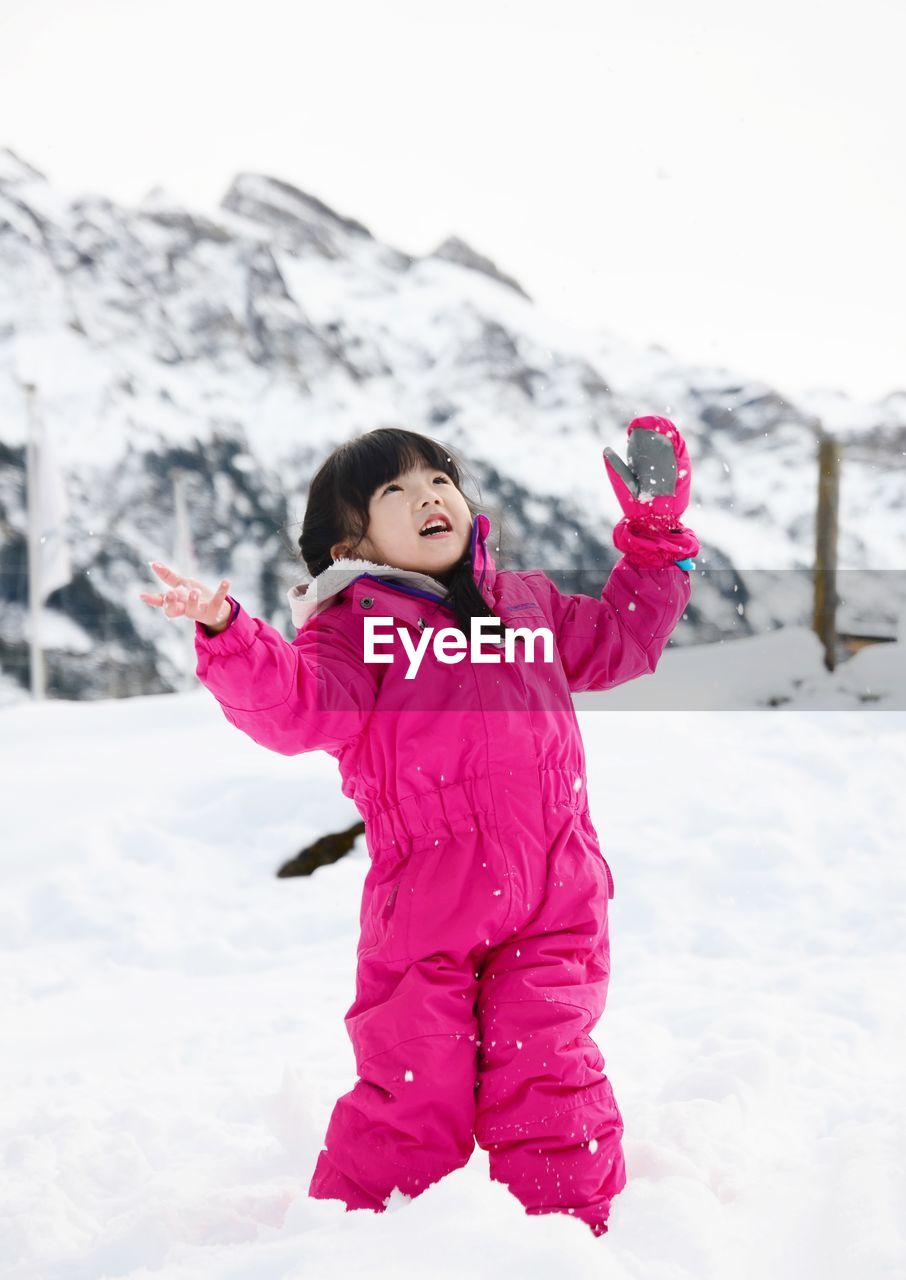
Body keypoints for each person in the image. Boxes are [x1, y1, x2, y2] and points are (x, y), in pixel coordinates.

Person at [138, 418, 700, 1238]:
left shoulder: (529, 604)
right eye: (394, 491)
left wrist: (654, 542)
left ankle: (571, 1241)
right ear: (347, 547)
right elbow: (295, 707)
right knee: (413, 1086)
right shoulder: (353, 635)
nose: (428, 496)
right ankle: (358, 1243)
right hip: (426, 906)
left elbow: (624, 637)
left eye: (438, 479)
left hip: (555, 895)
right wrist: (231, 636)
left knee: (551, 1072)